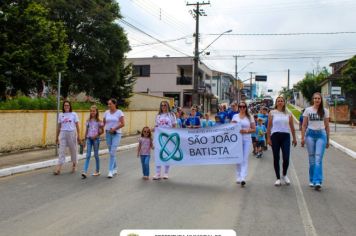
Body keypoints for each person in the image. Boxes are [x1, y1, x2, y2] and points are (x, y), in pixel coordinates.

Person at [301, 92, 330, 190]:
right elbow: (304, 125)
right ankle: (312, 179)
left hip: (321, 135)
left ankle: (317, 181)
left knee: (318, 159)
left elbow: (327, 126)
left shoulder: (325, 111)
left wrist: (328, 140)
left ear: (321, 100)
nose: (317, 100)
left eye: (319, 98)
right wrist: (302, 138)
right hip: (310, 135)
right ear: (313, 100)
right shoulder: (308, 110)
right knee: (312, 159)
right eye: (315, 98)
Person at [267, 96, 297, 186]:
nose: (280, 102)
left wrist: (295, 138)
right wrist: (268, 138)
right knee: (276, 157)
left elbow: (292, 127)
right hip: (275, 136)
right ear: (276, 103)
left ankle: (284, 174)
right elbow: (269, 126)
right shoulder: (272, 113)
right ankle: (278, 178)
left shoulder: (288, 113)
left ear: (284, 103)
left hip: (286, 136)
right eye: (278, 101)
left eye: (281, 101)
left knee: (286, 158)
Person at [231, 101, 256, 187]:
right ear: (238, 107)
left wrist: (246, 131)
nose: (242, 108)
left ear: (246, 107)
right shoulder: (235, 116)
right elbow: (231, 128)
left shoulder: (250, 117)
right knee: (238, 158)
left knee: (244, 158)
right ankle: (238, 175)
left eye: (243, 107)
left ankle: (243, 177)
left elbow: (254, 129)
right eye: (240, 106)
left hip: (246, 139)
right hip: (237, 140)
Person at [54, 101, 81, 175]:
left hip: (71, 133)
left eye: (68, 105)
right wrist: (57, 137)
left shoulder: (74, 114)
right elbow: (59, 127)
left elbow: (77, 125)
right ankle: (59, 168)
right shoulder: (61, 115)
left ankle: (74, 165)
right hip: (63, 133)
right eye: (65, 105)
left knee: (73, 150)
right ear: (63, 106)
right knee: (61, 150)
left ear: (70, 106)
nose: (66, 107)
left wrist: (79, 135)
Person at [153, 101, 177, 180]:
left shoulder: (171, 115)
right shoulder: (158, 115)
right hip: (159, 137)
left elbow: (174, 126)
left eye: (165, 105)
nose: (163, 106)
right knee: (158, 154)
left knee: (167, 154)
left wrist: (173, 136)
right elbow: (156, 126)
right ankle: (157, 173)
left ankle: (166, 172)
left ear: (168, 106)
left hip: (168, 137)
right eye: (162, 105)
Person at [103, 98, 125, 178]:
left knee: (112, 152)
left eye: (110, 104)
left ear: (115, 104)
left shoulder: (119, 112)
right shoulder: (106, 112)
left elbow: (123, 124)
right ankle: (115, 167)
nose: (109, 105)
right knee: (111, 152)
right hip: (108, 133)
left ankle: (110, 171)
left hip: (116, 134)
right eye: (108, 104)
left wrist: (114, 128)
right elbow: (103, 123)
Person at [81, 105, 103, 179]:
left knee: (96, 155)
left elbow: (102, 131)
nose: (92, 112)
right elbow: (86, 131)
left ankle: (97, 170)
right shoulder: (88, 121)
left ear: (96, 112)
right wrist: (84, 140)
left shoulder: (99, 121)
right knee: (88, 155)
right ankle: (84, 171)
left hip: (96, 140)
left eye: (93, 111)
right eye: (91, 111)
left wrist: (96, 135)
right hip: (89, 139)